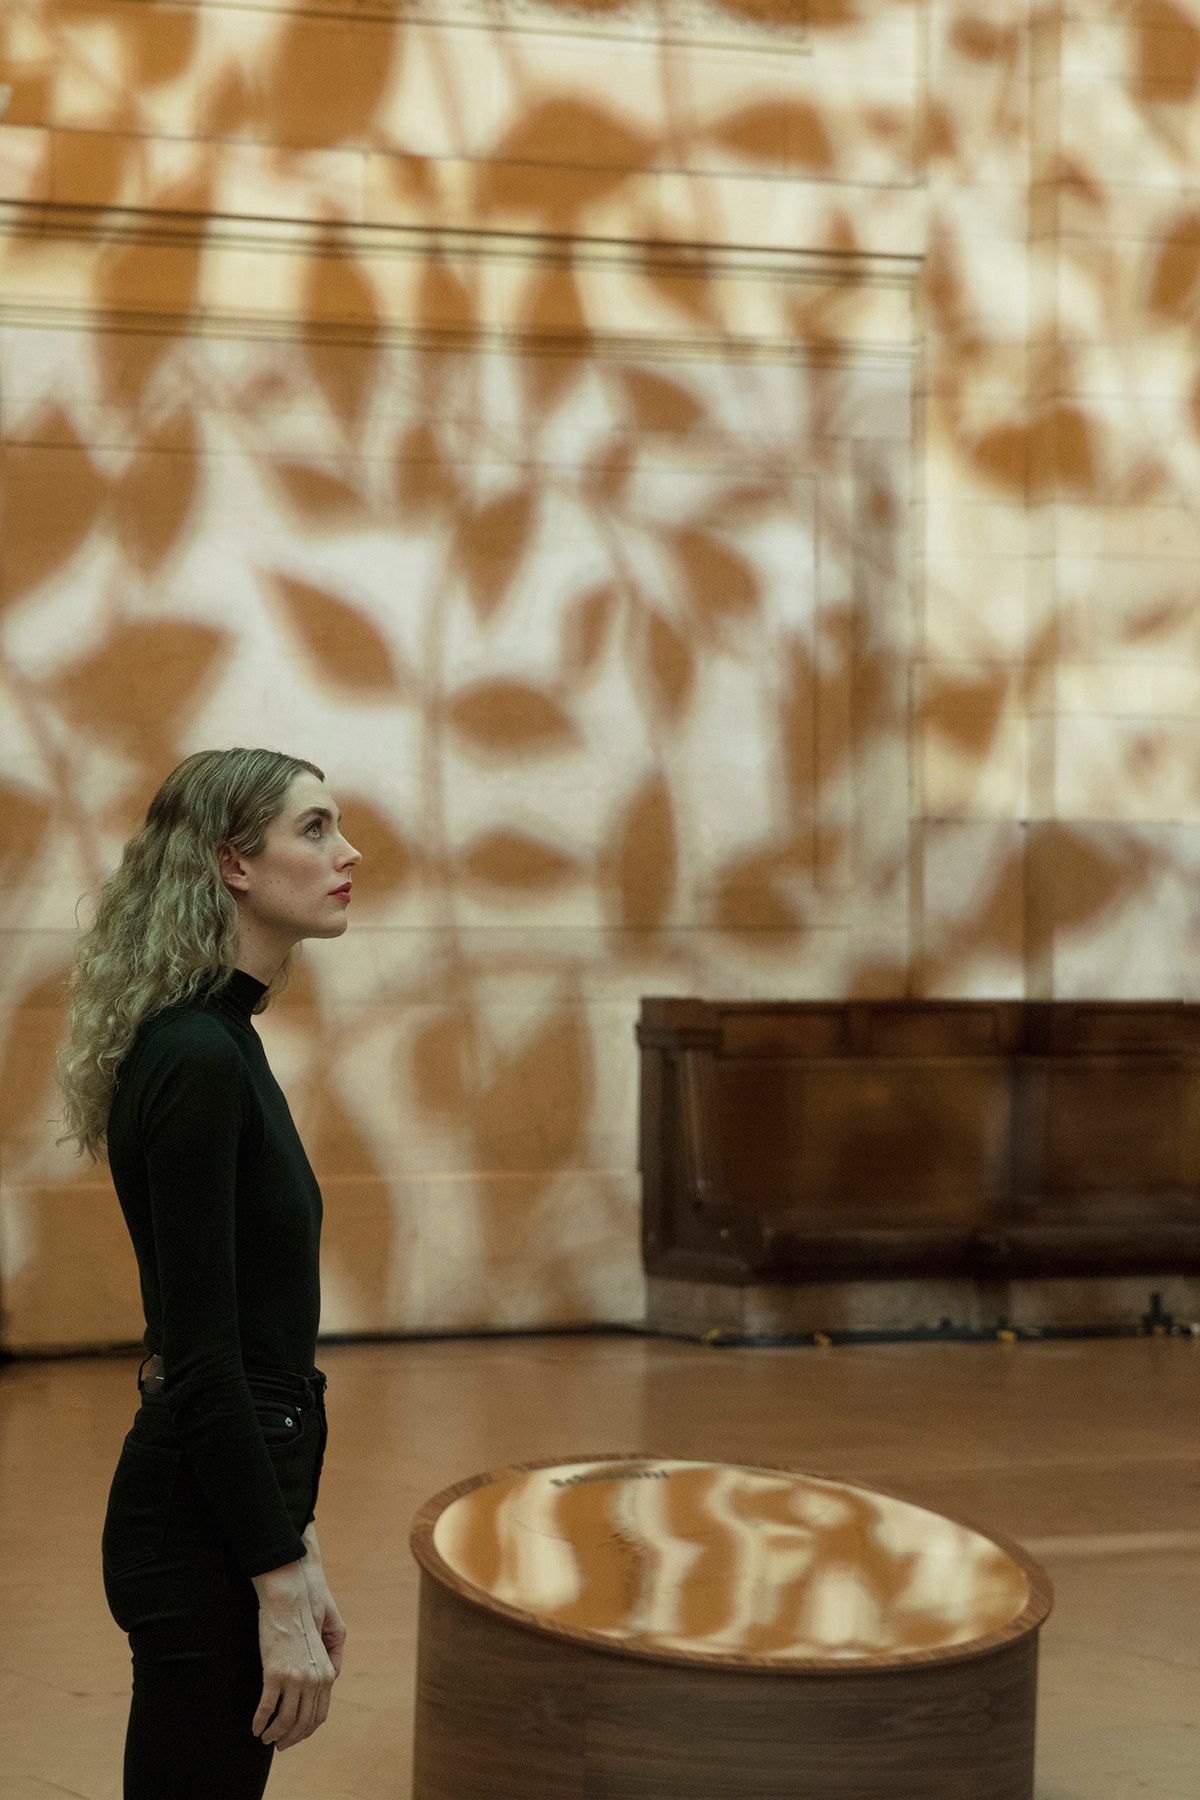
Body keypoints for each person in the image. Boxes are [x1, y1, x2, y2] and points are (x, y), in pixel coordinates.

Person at [57, 747, 362, 1800]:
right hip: (196, 1524)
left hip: (227, 1503)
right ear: (235, 863)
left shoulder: (222, 1038)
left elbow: (255, 1334)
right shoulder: (194, 1055)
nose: (346, 851)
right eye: (313, 829)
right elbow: (200, 1355)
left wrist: (297, 1539)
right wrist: (276, 1576)